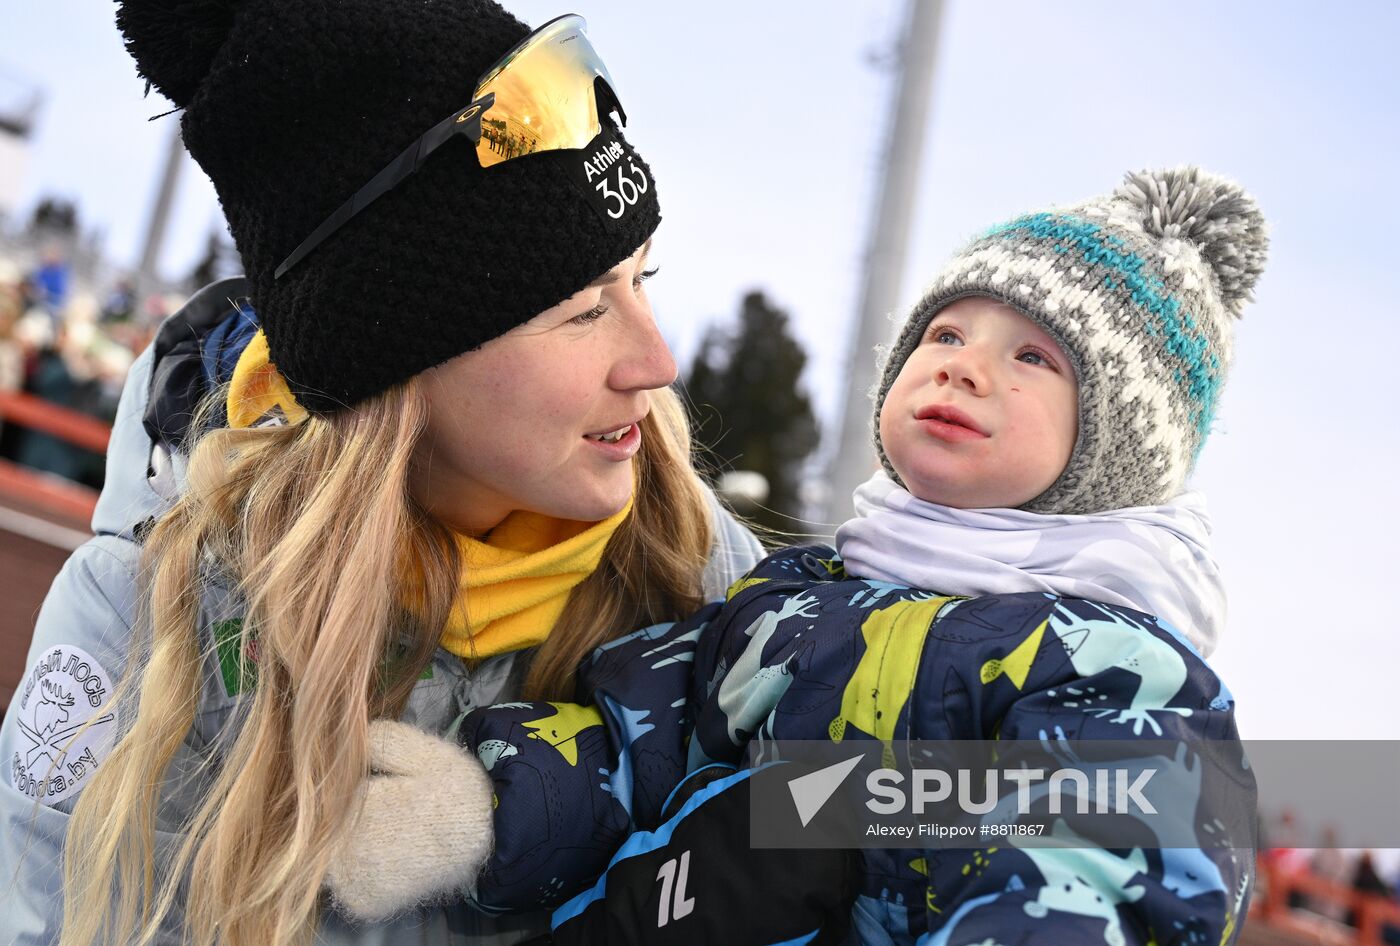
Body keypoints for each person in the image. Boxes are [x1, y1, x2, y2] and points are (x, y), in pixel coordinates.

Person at [0, 2, 764, 945]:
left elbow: (941, 816)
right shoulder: (148, 633)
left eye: (641, 281)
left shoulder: (706, 575)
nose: (657, 361)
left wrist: (543, 804)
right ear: (400, 368)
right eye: (580, 312)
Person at [345, 167, 1264, 945]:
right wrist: (485, 810)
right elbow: (644, 741)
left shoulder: (1116, 670)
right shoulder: (794, 598)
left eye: (1033, 356)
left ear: (1114, 448)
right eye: (945, 334)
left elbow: (1098, 869)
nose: (964, 366)